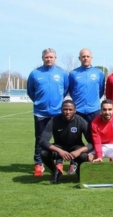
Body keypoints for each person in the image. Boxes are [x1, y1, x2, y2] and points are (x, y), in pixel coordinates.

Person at [27, 48, 69, 177]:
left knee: (59, 139)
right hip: (41, 112)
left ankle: (59, 162)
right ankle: (39, 164)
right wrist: (40, 102)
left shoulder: (62, 74)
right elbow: (30, 91)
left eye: (51, 57)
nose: (49, 59)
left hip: (57, 113)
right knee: (40, 139)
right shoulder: (35, 73)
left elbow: (65, 90)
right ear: (42, 58)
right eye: (46, 57)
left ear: (55, 58)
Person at [39, 100, 92, 184]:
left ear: (75, 110)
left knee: (84, 156)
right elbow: (42, 141)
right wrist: (59, 151)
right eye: (65, 109)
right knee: (44, 153)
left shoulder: (81, 121)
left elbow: (91, 143)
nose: (68, 112)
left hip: (76, 147)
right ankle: (55, 171)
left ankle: (79, 171)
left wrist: (79, 151)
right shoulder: (54, 120)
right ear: (61, 110)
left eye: (70, 110)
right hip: (59, 147)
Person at [69, 48, 105, 123]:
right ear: (79, 58)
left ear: (91, 58)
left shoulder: (99, 73)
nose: (86, 58)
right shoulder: (73, 73)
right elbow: (71, 90)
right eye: (83, 56)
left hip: (94, 110)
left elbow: (101, 90)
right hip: (78, 110)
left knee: (92, 134)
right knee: (74, 134)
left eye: (88, 56)